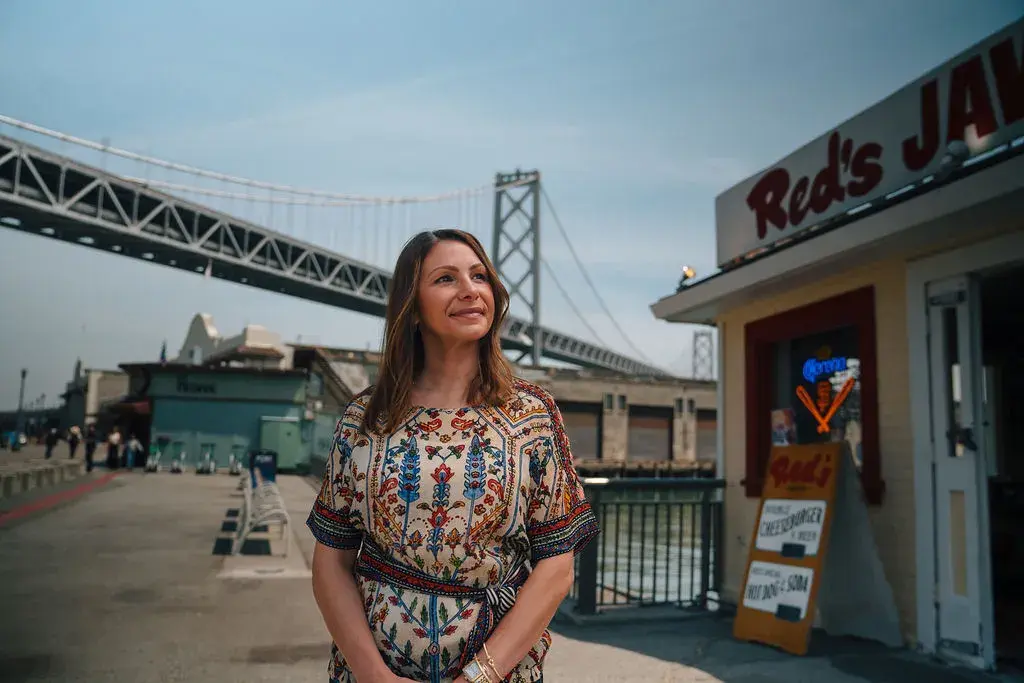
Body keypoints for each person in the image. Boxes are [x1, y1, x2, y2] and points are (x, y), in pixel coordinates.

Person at [307, 229, 599, 683]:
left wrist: (479, 677)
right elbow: (331, 562)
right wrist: (374, 676)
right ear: (412, 308)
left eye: (479, 276)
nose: (470, 290)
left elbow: (556, 564)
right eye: (445, 279)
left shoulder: (532, 416)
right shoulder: (363, 419)